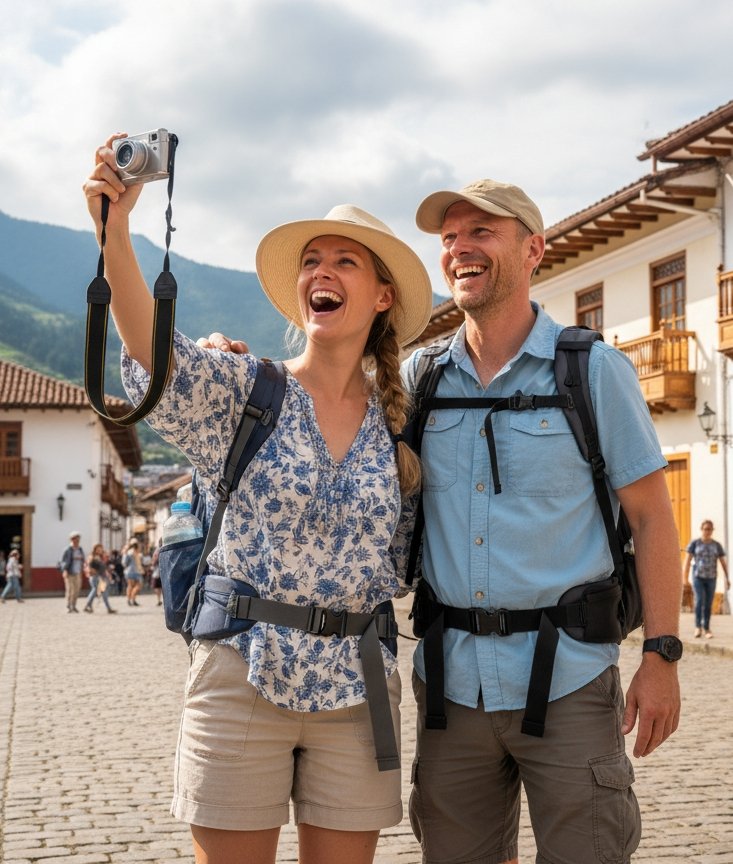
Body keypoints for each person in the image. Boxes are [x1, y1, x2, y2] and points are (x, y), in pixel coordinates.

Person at [199, 179, 684, 864]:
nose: (459, 248)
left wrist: (661, 656)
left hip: (570, 677)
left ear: (532, 249)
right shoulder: (420, 379)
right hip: (449, 691)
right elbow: (324, 393)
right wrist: (238, 367)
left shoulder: (592, 371)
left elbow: (651, 518)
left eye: (481, 232)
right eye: (449, 237)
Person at [83, 133, 432, 864]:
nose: (321, 272)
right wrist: (115, 231)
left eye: (344, 260)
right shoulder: (246, 389)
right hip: (243, 666)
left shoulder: (402, 422)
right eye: (311, 260)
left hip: (356, 683)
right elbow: (154, 356)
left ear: (381, 295)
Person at [683, 520, 729, 639]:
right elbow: (687, 561)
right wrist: (685, 577)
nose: (707, 531)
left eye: (709, 529)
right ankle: (698, 627)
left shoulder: (716, 545)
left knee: (708, 604)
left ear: (712, 530)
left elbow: (723, 562)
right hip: (698, 577)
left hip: (711, 578)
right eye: (705, 529)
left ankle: (707, 628)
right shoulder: (695, 544)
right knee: (699, 601)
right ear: (702, 529)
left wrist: (727, 578)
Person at [83, 543, 117, 614]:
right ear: (94, 550)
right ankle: (87, 606)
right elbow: (90, 567)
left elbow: (103, 567)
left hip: (102, 577)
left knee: (102, 592)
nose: (100, 550)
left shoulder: (101, 557)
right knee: (96, 590)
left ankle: (89, 606)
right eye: (98, 549)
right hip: (96, 577)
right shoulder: (92, 557)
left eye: (101, 549)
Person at [59, 531, 85, 613]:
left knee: (77, 590)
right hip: (69, 572)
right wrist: (64, 570)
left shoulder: (80, 549)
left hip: (78, 572)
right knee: (70, 589)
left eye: (78, 539)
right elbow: (62, 561)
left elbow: (83, 559)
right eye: (75, 539)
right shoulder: (67, 550)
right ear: (71, 539)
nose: (77, 541)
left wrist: (81, 561)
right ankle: (68, 605)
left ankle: (74, 605)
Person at [122, 539, 143, 607]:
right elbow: (124, 563)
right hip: (132, 571)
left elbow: (124, 563)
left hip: (134, 571)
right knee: (133, 586)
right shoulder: (130, 552)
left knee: (134, 586)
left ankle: (131, 599)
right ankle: (131, 600)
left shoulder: (135, 552)